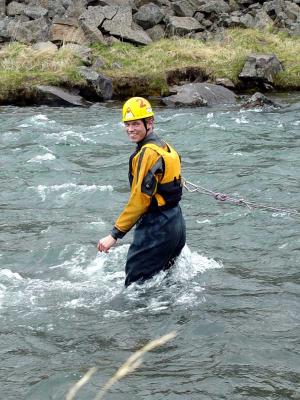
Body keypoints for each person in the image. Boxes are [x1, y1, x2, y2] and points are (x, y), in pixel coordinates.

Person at [97, 97, 186, 287]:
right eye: (127, 124)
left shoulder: (148, 153)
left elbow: (139, 201)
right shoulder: (165, 146)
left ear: (150, 122)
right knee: (163, 282)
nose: (130, 129)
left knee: (135, 288)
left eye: (136, 124)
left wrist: (114, 235)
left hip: (157, 228)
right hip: (176, 224)